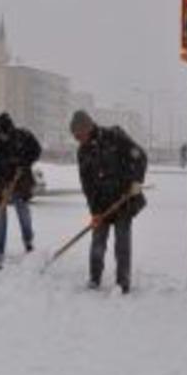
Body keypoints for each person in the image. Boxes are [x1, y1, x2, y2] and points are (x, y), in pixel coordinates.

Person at [69, 110, 147, 295]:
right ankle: (94, 278)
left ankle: (123, 282)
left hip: (123, 200)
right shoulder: (83, 152)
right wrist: (94, 211)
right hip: (101, 204)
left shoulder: (115, 136)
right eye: (75, 137)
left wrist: (136, 181)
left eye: (79, 135)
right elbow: (86, 184)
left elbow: (140, 156)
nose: (78, 140)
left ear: (88, 127)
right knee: (97, 242)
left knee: (122, 244)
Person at [0, 113, 42, 270]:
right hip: (0, 183)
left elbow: (37, 150)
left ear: (11, 130)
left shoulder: (23, 136)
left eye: (6, 134)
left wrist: (24, 163)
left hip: (21, 181)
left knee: (23, 213)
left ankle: (28, 241)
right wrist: (1, 185)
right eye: (1, 134)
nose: (4, 137)